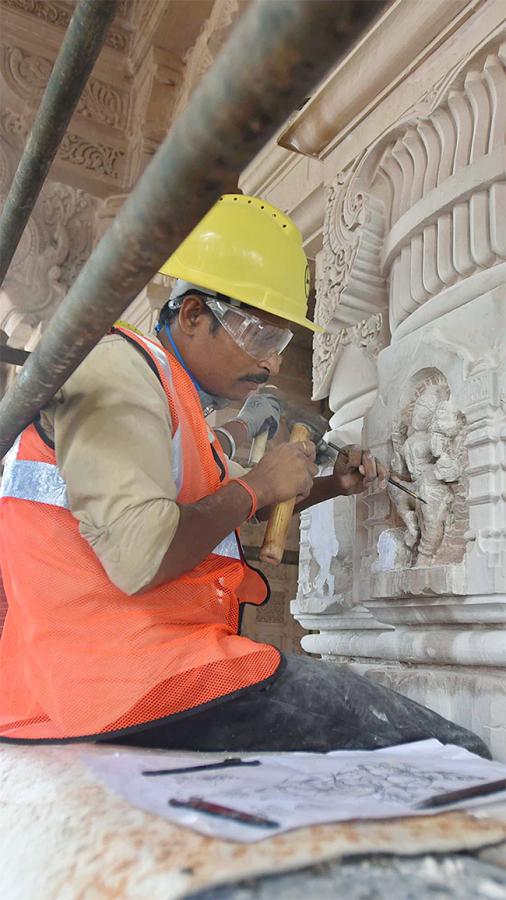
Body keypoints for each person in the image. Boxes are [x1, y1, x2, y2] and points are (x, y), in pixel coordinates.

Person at [0, 194, 488, 756]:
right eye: (260, 337)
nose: (273, 363)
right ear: (192, 315)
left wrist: (328, 484)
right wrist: (259, 484)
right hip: (124, 680)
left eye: (280, 343)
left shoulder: (173, 399)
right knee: (445, 750)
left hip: (125, 677)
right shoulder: (117, 369)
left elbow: (229, 503)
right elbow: (140, 556)